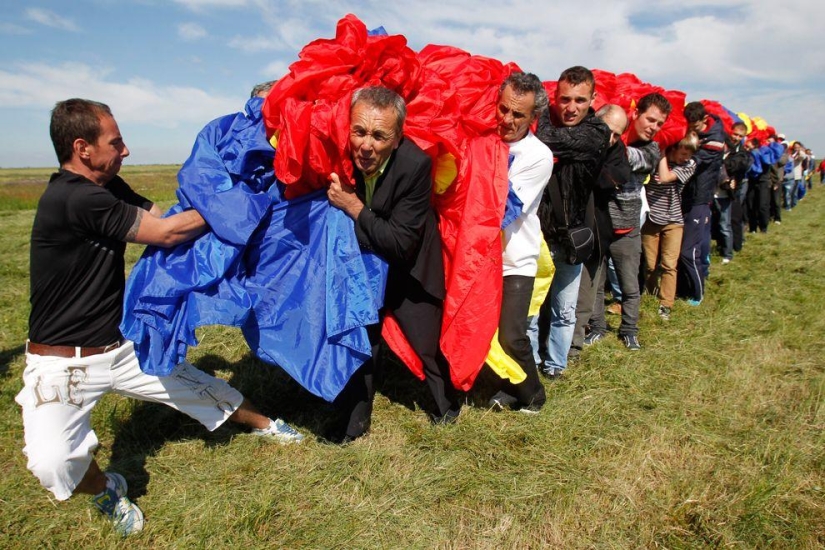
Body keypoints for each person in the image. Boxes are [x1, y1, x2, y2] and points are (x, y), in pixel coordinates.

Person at [15, 99, 302, 537]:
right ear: (82, 148)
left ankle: (267, 425)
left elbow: (161, 215)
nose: (126, 150)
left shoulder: (107, 188)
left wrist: (224, 185)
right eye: (116, 142)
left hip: (120, 344)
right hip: (62, 364)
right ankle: (107, 486)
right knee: (52, 463)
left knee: (201, 390)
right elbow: (167, 234)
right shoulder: (73, 198)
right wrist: (239, 199)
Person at [327, 86, 460, 441]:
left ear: (398, 138)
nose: (366, 146)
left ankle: (448, 408)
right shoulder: (338, 156)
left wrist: (353, 206)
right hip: (363, 268)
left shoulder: (416, 165)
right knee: (363, 340)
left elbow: (401, 243)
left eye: (379, 136)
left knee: (426, 345)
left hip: (409, 266)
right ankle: (355, 425)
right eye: (359, 132)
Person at [535, 66, 610, 377]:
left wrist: (536, 118)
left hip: (572, 236)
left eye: (580, 100)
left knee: (564, 310)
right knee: (529, 310)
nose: (571, 108)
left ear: (593, 98)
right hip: (538, 234)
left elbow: (544, 137)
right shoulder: (549, 121)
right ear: (556, 96)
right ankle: (530, 365)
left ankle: (555, 366)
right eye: (565, 99)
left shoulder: (596, 133)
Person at [486, 72, 553, 413]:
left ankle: (533, 393)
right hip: (483, 260)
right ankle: (506, 387)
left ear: (533, 118)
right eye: (503, 109)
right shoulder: (484, 140)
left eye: (518, 114)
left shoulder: (538, 156)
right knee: (488, 333)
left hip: (516, 259)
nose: (507, 119)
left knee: (512, 333)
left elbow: (503, 208)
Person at [568, 104, 629, 357]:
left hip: (595, 233)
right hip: (565, 228)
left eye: (617, 134)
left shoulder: (617, 150)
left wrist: (589, 169)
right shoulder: (576, 138)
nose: (612, 139)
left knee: (585, 296)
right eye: (609, 131)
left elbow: (616, 176)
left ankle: (574, 347)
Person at [643, 132, 699, 320]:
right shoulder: (655, 160)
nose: (687, 158)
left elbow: (666, 178)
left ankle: (666, 303)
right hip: (651, 219)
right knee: (650, 265)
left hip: (673, 221)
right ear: (674, 147)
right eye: (683, 153)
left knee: (669, 265)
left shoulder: (689, 165)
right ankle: (651, 293)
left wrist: (663, 154)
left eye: (689, 154)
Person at [678, 102, 725, 306]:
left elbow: (694, 162)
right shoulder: (701, 136)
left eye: (694, 126)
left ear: (704, 120)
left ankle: (698, 293)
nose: (691, 129)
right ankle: (687, 286)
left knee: (690, 251)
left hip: (699, 198)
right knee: (698, 247)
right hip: (690, 198)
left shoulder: (714, 141)